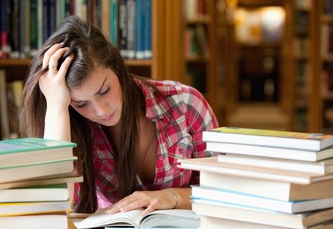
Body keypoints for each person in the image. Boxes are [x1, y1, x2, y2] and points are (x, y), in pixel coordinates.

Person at [20, 15, 218, 215]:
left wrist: (172, 197)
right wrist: (56, 106)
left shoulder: (186, 104)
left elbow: (225, 194)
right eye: (81, 104)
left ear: (117, 67)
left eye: (104, 90)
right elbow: (58, 206)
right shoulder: (70, 123)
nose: (101, 111)